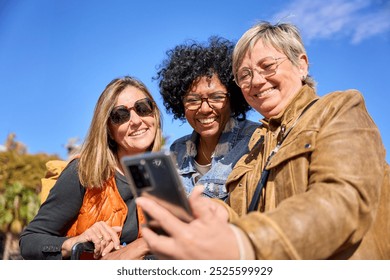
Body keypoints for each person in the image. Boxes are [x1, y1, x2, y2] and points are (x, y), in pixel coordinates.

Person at [136, 21, 390, 259]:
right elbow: (248, 213)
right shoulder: (259, 142)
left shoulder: (340, 108)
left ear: (301, 64)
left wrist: (245, 242)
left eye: (268, 66)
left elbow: (343, 201)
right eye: (244, 75)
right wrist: (217, 213)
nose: (256, 80)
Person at [19, 76, 163, 260]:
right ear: (108, 130)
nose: (135, 120)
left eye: (143, 108)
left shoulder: (163, 178)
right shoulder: (83, 171)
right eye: (120, 115)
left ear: (154, 115)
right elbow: (29, 241)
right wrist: (75, 242)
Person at [154, 36, 258, 200]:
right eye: (193, 100)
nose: (204, 109)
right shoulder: (177, 150)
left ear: (233, 98)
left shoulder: (254, 141)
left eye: (216, 97)